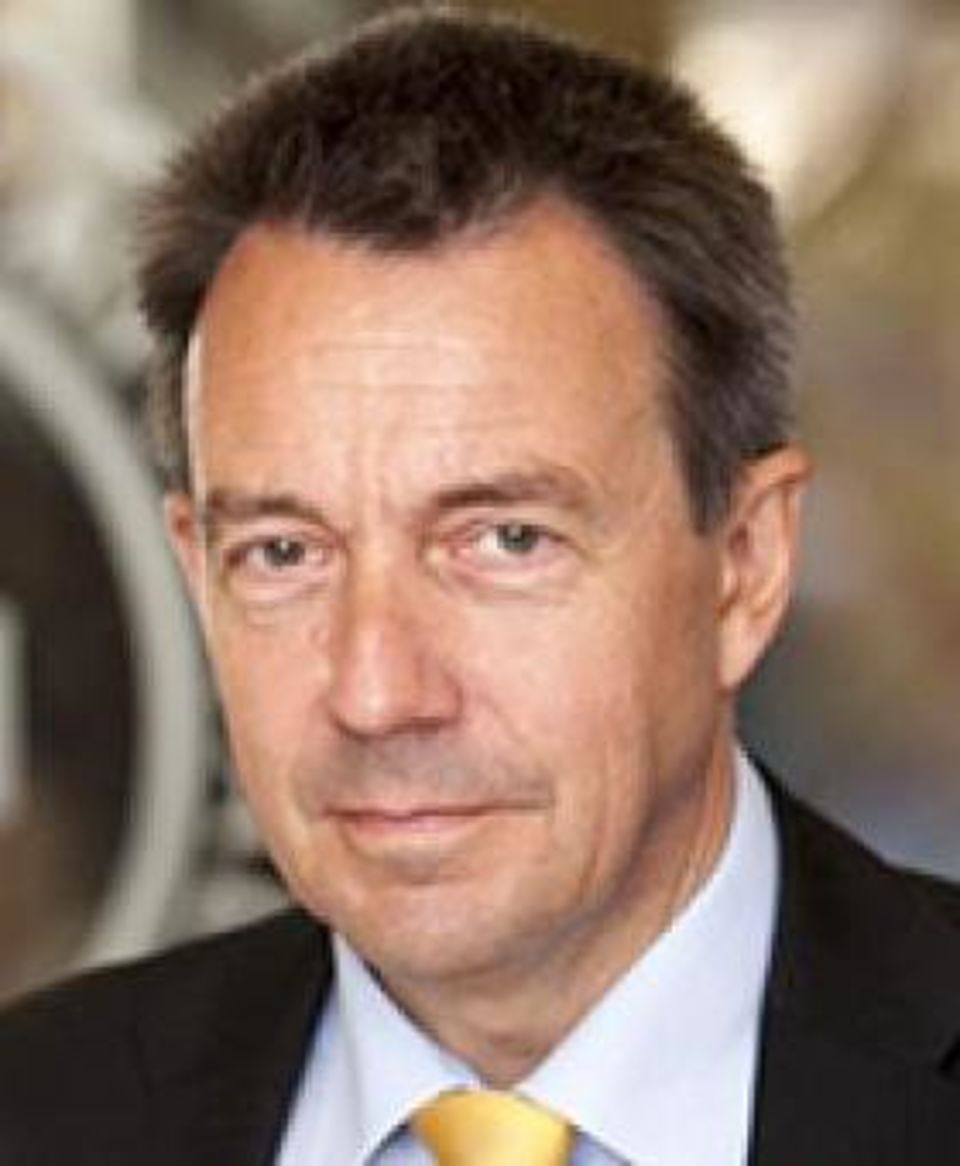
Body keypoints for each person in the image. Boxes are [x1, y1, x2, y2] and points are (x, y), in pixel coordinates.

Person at [1, 8, 958, 1164]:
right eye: (284, 553)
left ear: (745, 565)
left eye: (504, 539)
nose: (376, 693)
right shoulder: (39, 1111)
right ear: (196, 576)